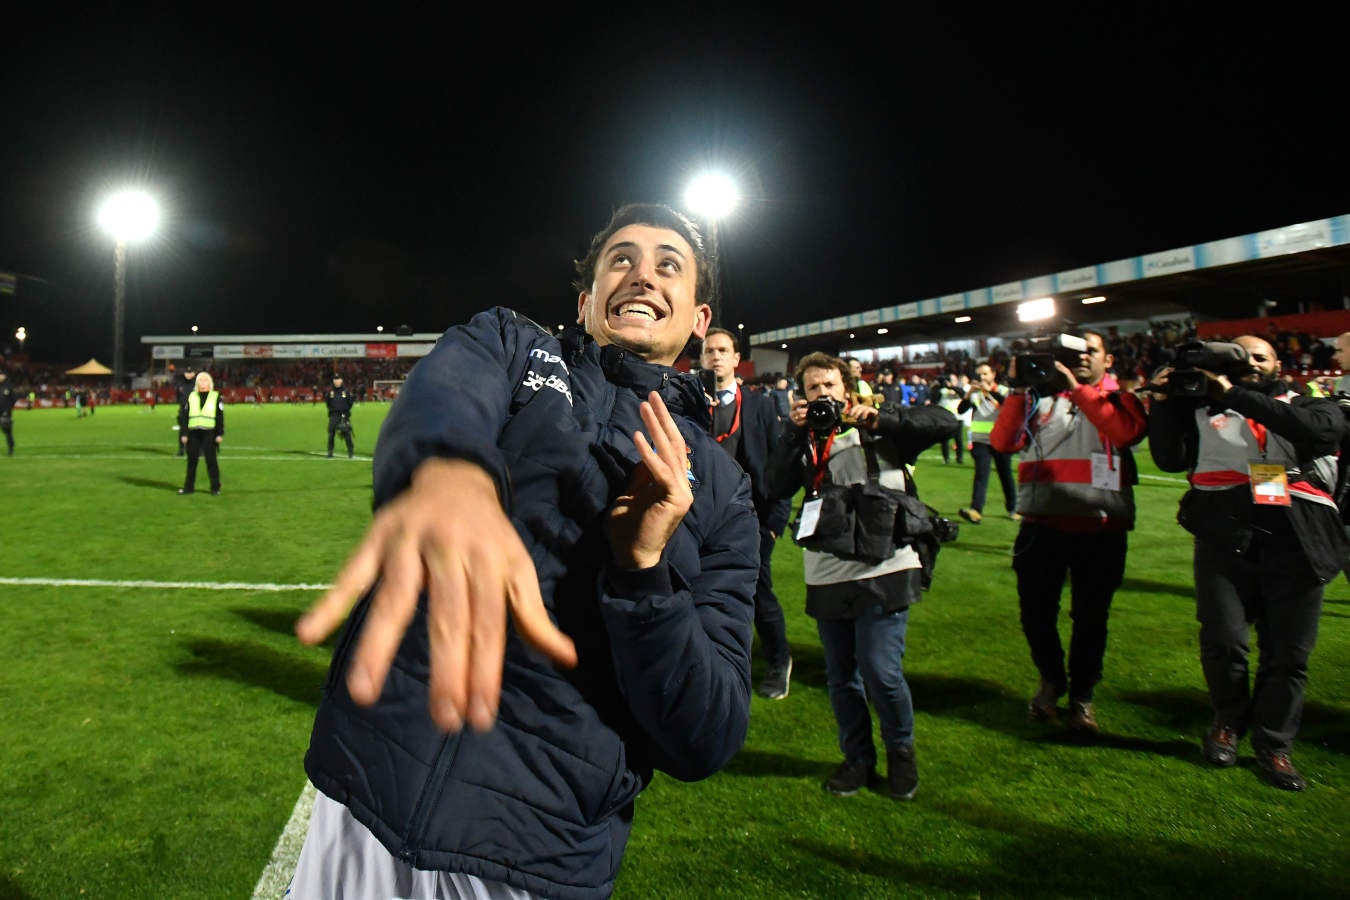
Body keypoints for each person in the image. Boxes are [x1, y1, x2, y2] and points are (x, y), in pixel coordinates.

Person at [289, 203, 759, 899]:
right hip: (365, 800)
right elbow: (449, 390)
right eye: (621, 258)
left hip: (533, 857)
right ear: (587, 298)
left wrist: (644, 576)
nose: (642, 275)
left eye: (669, 265)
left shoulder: (724, 493)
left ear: (697, 318)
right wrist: (449, 468)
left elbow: (707, 733)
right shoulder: (515, 347)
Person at [1147, 335, 1347, 791]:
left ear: (1278, 363)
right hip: (1224, 535)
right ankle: (1228, 723)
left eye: (1261, 356)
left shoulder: (1311, 400)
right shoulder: (1199, 406)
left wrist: (1234, 395)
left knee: (1289, 654)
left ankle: (1275, 745)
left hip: (1297, 539)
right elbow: (1169, 457)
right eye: (1241, 356)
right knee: (1223, 639)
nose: (1252, 362)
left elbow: (1320, 433)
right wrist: (1163, 402)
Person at [766, 352, 958, 801]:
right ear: (802, 397)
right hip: (827, 570)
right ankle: (857, 760)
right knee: (841, 676)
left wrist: (882, 418)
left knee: (880, 670)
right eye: (813, 389)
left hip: (885, 564)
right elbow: (774, 486)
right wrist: (792, 436)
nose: (823, 395)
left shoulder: (883, 429)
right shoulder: (806, 440)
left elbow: (945, 423)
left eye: (829, 386)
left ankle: (901, 755)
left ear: (847, 390)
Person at [990, 330, 1147, 733]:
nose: (1080, 358)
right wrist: (1017, 387)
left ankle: (1082, 696)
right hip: (1041, 526)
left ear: (1107, 360)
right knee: (1035, 614)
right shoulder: (1036, 400)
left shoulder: (1121, 399)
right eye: (1071, 352)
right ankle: (1051, 679)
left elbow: (1124, 432)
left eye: (1089, 351)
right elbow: (1003, 442)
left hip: (1101, 527)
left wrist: (1078, 391)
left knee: (1091, 618)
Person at [700, 326, 795, 699]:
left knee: (757, 592)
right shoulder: (692, 402)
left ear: (737, 359)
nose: (717, 356)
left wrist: (774, 523)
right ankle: (717, 663)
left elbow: (781, 466)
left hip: (750, 519)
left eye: (723, 350)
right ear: (701, 358)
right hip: (702, 519)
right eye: (710, 350)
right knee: (704, 591)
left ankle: (778, 660)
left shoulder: (759, 404)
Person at [958, 362, 1018, 524]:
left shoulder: (1004, 391)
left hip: (1000, 438)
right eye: (980, 375)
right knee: (981, 474)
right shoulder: (976, 394)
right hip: (980, 440)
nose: (982, 378)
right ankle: (976, 510)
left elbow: (1008, 406)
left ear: (993, 374)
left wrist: (991, 391)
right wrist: (968, 393)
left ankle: (1013, 508)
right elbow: (961, 410)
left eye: (985, 374)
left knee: (1005, 474)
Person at [177, 371, 224, 495]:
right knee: (191, 462)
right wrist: (184, 433)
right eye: (200, 380)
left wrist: (219, 434)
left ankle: (215, 488)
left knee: (211, 461)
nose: (203, 383)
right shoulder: (192, 396)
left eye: (205, 380)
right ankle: (188, 487)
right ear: (197, 383)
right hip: (193, 433)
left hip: (209, 433)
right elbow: (185, 417)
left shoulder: (216, 396)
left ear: (210, 382)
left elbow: (220, 417)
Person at [931, 373, 965, 464]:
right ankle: (946, 458)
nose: (950, 382)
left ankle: (959, 458)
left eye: (953, 380)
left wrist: (952, 387)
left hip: (957, 417)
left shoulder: (959, 389)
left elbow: (963, 394)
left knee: (958, 439)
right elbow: (933, 400)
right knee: (944, 440)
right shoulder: (941, 390)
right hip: (945, 418)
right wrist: (936, 386)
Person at [324, 374, 355, 458]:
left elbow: (350, 403)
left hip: (344, 415)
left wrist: (345, 411)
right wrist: (333, 410)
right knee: (331, 434)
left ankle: (350, 451)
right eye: (335, 379)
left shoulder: (346, 391)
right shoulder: (330, 391)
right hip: (334, 415)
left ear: (341, 380)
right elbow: (327, 403)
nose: (336, 381)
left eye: (338, 379)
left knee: (347, 433)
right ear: (333, 381)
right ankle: (330, 451)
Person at [174, 366, 197, 456]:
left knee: (196, 430)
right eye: (187, 373)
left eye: (190, 373)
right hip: (183, 409)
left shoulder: (197, 383)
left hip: (195, 409)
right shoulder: (180, 382)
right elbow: (178, 396)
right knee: (183, 430)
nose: (188, 375)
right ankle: (181, 450)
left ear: (193, 373)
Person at [0, 372, 15, 456]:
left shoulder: (8, 387)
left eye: (1, 375)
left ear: (4, 376)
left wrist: (7, 410)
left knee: (7, 431)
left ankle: (11, 449)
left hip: (5, 413)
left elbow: (13, 400)